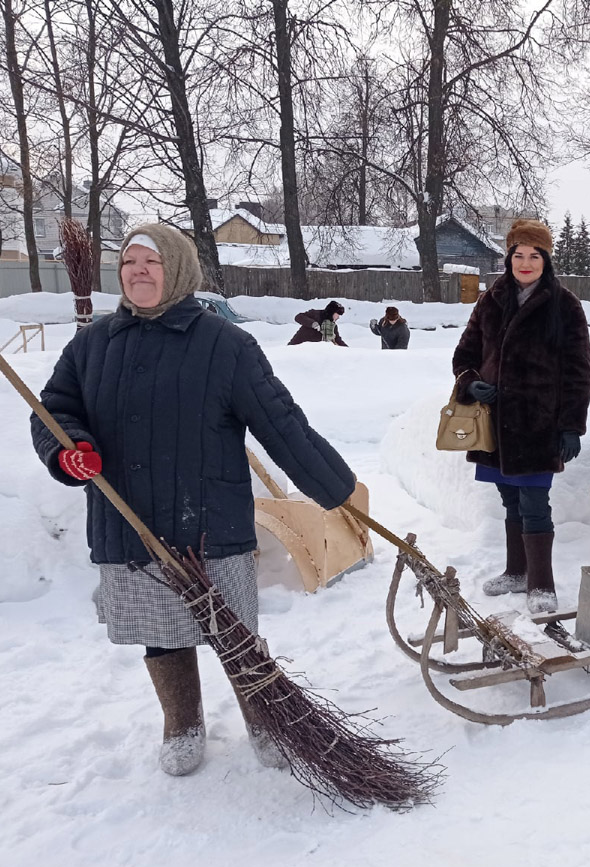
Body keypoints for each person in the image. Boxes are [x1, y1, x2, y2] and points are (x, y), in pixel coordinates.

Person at [31, 224, 357, 776]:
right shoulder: (92, 342)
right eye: (130, 261)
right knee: (160, 630)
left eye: (151, 262)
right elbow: (54, 409)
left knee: (233, 631)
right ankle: (182, 723)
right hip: (128, 519)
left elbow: (281, 423)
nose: (138, 270)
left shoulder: (224, 344)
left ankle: (267, 717)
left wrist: (338, 492)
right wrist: (70, 450)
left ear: (177, 270)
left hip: (208, 520)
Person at [451, 219, 590, 614]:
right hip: (496, 423)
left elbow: (578, 370)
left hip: (538, 424)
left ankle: (541, 584)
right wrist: (470, 383)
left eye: (534, 255)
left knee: (534, 501)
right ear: (508, 258)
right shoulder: (489, 300)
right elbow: (464, 356)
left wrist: (571, 426)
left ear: (546, 260)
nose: (525, 262)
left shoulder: (564, 305)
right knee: (509, 498)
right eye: (519, 255)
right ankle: (516, 571)